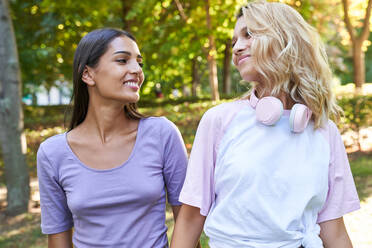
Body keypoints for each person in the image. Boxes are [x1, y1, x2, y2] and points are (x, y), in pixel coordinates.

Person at [171, 2, 360, 248]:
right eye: (234, 41)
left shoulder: (324, 131)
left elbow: (334, 231)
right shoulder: (219, 121)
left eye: (249, 34)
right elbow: (189, 220)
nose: (237, 47)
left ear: (285, 38)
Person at [37, 28, 188, 247]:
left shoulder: (162, 134)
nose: (137, 70)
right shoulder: (53, 153)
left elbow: (188, 218)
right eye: (122, 60)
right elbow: (58, 240)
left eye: (139, 62)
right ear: (88, 74)